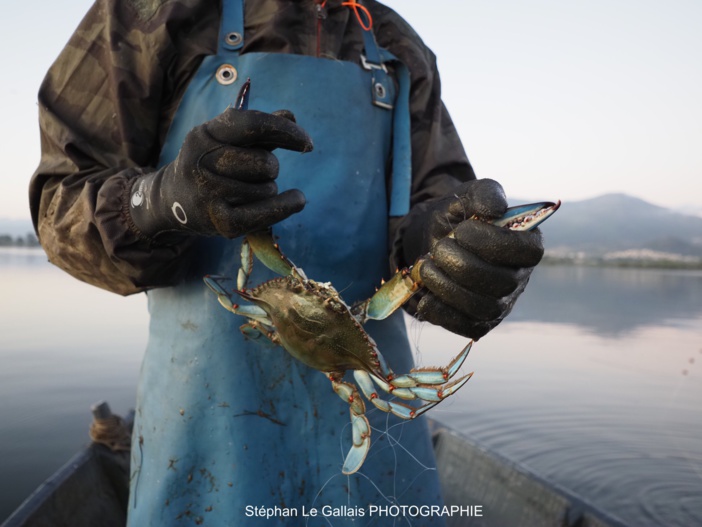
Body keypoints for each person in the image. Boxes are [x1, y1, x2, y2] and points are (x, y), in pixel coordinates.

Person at [30, 0, 544, 525]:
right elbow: (57, 202)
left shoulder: (399, 47)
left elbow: (436, 206)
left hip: (364, 420)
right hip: (201, 422)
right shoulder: (150, 12)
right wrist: (157, 201)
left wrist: (449, 253)